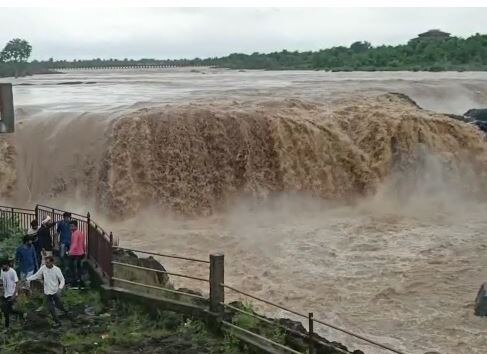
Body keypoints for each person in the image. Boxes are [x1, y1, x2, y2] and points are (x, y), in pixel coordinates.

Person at [27, 256, 69, 327]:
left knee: (59, 304)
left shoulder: (57, 270)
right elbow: (37, 275)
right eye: (45, 262)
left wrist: (60, 288)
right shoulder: (43, 268)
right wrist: (28, 279)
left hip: (55, 291)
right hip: (47, 292)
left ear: (52, 262)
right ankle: (58, 322)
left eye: (48, 262)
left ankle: (66, 312)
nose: (46, 264)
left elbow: (62, 280)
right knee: (51, 308)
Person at [1, 258, 25, 329]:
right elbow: (1, 281)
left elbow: (17, 283)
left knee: (6, 310)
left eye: (2, 266)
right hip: (5, 294)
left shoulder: (12, 272)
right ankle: (20, 314)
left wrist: (14, 295)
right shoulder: (2, 271)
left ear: (6, 265)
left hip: (11, 294)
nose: (2, 267)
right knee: (8, 310)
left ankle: (7, 326)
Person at [69, 220, 86, 286]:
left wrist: (69, 252)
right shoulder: (80, 232)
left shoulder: (75, 233)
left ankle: (74, 282)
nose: (70, 227)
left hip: (75, 253)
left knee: (72, 267)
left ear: (75, 226)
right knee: (79, 267)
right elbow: (83, 243)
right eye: (70, 226)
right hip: (80, 253)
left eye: (72, 226)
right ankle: (80, 281)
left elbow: (74, 244)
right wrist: (84, 251)